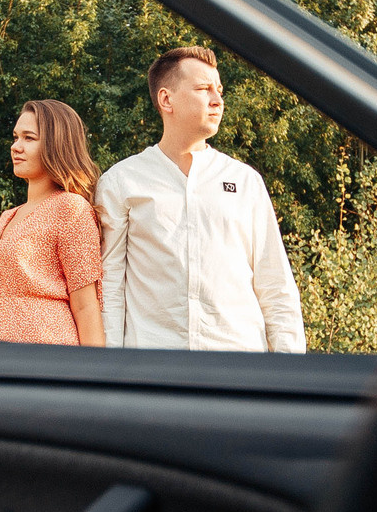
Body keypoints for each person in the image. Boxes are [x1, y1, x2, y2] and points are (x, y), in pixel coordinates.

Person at [97, 46, 306, 352]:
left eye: (219, 90)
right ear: (166, 99)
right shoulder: (121, 181)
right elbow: (110, 286)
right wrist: (109, 371)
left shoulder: (245, 181)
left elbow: (275, 286)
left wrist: (291, 374)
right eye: (203, 89)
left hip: (239, 367)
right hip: (154, 370)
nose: (217, 101)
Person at [0, 99, 106, 346]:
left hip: (47, 361)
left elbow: (86, 307)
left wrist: (94, 378)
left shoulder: (71, 208)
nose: (16, 147)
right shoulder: (8, 216)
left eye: (29, 138)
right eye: (15, 137)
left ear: (57, 145)